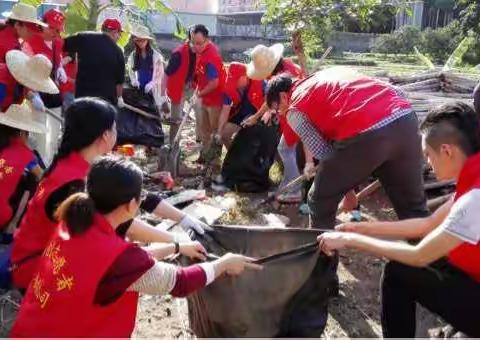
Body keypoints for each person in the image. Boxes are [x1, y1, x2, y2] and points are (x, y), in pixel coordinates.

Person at [11, 156, 261, 337]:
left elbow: (117, 268)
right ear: (131, 205)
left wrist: (176, 247)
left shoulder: (74, 220)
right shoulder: (118, 258)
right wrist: (225, 263)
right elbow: (180, 282)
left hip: (32, 327)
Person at [317, 102, 480, 337]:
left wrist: (349, 240)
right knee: (422, 261)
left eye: (427, 155)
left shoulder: (474, 199)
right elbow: (426, 224)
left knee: (398, 273)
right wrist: (362, 228)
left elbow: (419, 255)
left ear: (446, 150)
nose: (427, 164)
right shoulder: (473, 181)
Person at [11, 97, 209, 291]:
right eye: (115, 127)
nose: (117, 132)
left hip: (43, 256)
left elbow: (141, 197)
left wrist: (183, 218)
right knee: (120, 269)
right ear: (105, 135)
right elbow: (123, 222)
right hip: (39, 269)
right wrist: (175, 240)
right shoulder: (74, 181)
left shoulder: (78, 161)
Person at [244, 43, 306, 203]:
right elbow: (271, 100)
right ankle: (289, 183)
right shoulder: (282, 67)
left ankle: (294, 189)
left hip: (295, 112)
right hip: (289, 112)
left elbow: (276, 100)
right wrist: (259, 115)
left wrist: (262, 114)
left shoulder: (287, 73)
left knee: (285, 149)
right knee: (285, 149)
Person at [23, 8, 67, 165]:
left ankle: (50, 166)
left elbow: (58, 57)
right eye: (53, 28)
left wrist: (60, 67)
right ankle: (40, 170)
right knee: (39, 137)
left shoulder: (57, 42)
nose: (56, 32)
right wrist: (32, 95)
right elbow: (24, 71)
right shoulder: (30, 42)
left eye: (58, 29)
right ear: (42, 24)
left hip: (54, 93)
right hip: (36, 95)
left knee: (54, 137)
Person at [0, 103, 45, 241]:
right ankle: (10, 229)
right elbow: (43, 177)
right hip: (2, 213)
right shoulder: (26, 155)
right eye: (28, 133)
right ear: (21, 133)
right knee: (32, 182)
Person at [63, 18, 125, 106]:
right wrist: (120, 97)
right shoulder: (118, 52)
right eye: (119, 34)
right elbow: (119, 81)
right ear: (115, 32)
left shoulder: (84, 37)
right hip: (105, 103)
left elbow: (61, 44)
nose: (119, 37)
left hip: (83, 99)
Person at [191, 24, 226, 162]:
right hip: (204, 96)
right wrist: (197, 90)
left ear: (207, 40)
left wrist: (199, 94)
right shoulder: (201, 52)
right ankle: (204, 156)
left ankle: (215, 161)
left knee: (214, 130)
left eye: (199, 43)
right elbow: (201, 75)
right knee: (203, 128)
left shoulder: (211, 57)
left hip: (215, 98)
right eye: (193, 42)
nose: (195, 46)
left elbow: (214, 83)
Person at [216, 62, 265, 149]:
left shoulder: (260, 83)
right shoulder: (230, 87)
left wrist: (256, 117)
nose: (234, 83)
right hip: (240, 115)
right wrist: (219, 131)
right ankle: (233, 157)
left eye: (236, 80)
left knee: (244, 139)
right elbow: (225, 110)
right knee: (224, 134)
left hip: (258, 115)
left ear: (244, 76)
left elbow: (269, 104)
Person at [127, 24, 167, 113]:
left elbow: (160, 73)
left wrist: (152, 83)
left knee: (155, 110)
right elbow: (130, 69)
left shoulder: (156, 56)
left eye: (143, 40)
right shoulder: (133, 55)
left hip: (153, 87)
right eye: (138, 41)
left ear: (147, 41)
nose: (140, 43)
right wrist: (134, 80)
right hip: (140, 85)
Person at [165, 31, 196, 144]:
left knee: (202, 111)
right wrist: (163, 95)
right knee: (176, 120)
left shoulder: (200, 52)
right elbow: (166, 73)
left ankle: (199, 140)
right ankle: (173, 144)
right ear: (189, 40)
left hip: (192, 87)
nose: (197, 45)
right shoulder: (178, 54)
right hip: (178, 88)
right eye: (194, 42)